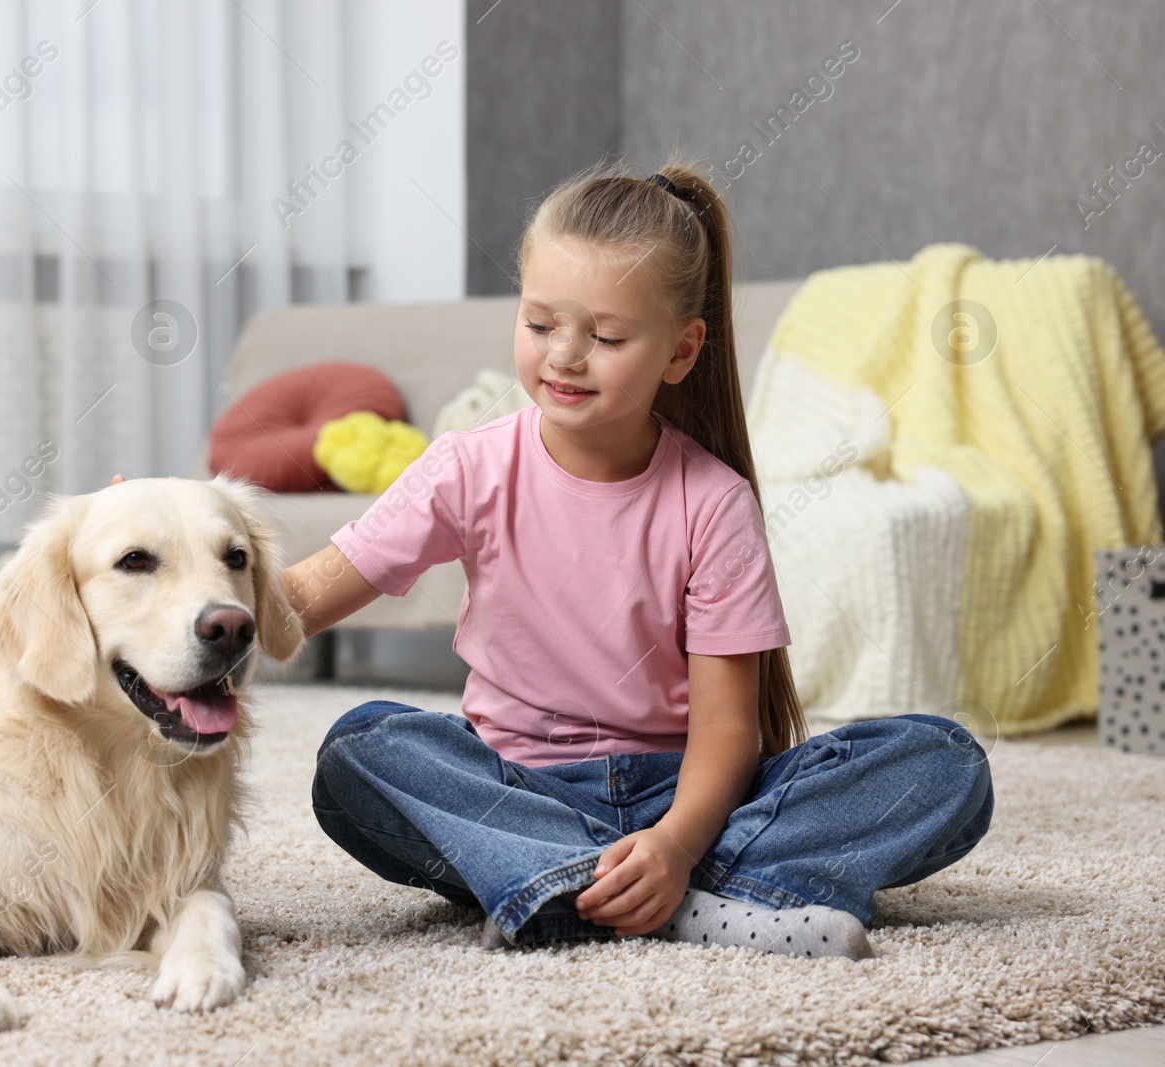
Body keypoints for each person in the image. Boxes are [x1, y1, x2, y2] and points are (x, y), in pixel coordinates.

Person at [278, 159, 994, 958]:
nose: (564, 356)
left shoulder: (713, 501)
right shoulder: (467, 467)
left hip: (682, 792)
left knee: (944, 762)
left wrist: (677, 842)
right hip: (515, 785)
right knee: (360, 749)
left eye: (607, 336)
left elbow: (727, 728)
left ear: (681, 351)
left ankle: (565, 884)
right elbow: (299, 597)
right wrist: (166, 560)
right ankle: (681, 895)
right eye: (540, 323)